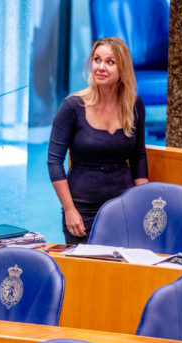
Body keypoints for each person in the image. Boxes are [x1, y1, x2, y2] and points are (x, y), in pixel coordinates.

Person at [47, 37, 148, 245]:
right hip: (82, 209)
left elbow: (138, 157)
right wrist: (69, 210)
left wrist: (141, 204)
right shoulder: (72, 106)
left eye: (110, 62)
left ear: (123, 68)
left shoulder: (134, 105)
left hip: (123, 207)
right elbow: (54, 162)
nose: (101, 67)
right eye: (97, 60)